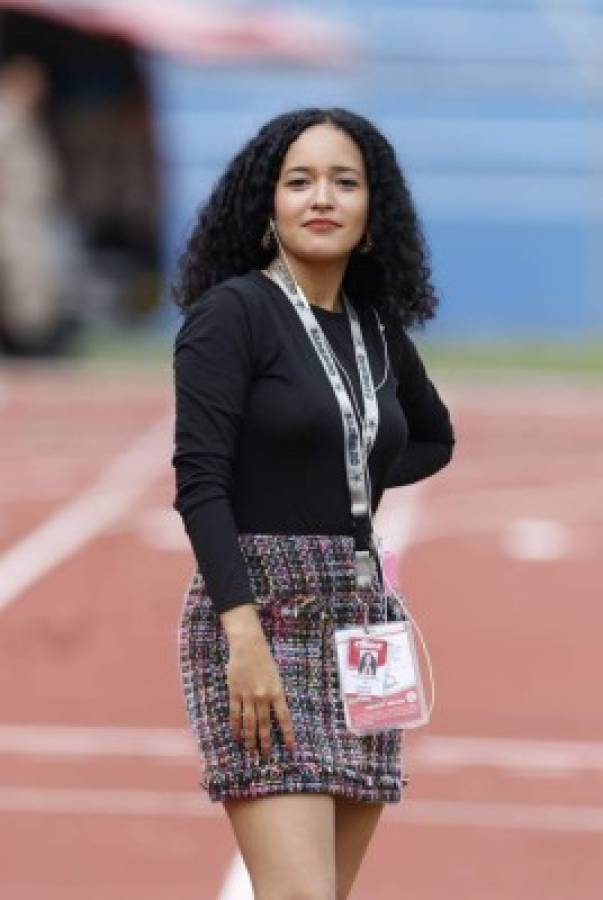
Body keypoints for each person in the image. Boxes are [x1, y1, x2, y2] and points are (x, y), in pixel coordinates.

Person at [172, 107, 455, 900]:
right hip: (259, 615)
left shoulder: (374, 328)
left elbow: (432, 437)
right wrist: (242, 633)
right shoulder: (230, 316)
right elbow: (199, 485)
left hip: (363, 618)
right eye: (298, 181)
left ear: (372, 211)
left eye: (343, 181)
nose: (320, 197)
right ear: (267, 204)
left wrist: (335, 487)